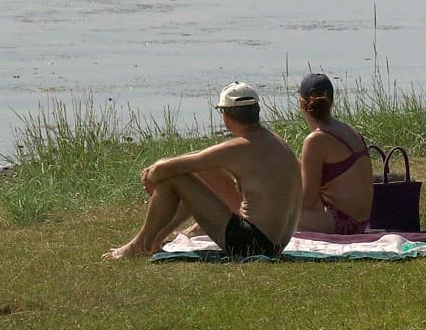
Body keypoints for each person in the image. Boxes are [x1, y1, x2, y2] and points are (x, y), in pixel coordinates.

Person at [102, 82, 302, 260]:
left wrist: (150, 177)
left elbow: (165, 169)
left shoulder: (240, 148)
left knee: (174, 179)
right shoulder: (276, 141)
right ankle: (157, 239)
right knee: (203, 171)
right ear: (257, 110)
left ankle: (140, 245)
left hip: (250, 244)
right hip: (277, 244)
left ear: (225, 115)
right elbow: (200, 160)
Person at [296, 73, 373, 234]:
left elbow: (307, 201)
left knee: (274, 208)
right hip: (361, 221)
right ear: (332, 101)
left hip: (341, 223)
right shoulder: (349, 130)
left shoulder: (316, 140)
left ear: (301, 103)